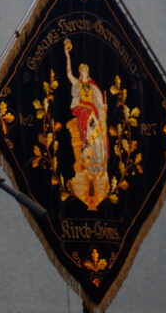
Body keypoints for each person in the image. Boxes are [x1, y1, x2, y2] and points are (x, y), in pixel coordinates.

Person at [62, 38, 109, 210]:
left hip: (92, 114)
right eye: (81, 70)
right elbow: (68, 74)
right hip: (83, 113)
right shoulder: (77, 84)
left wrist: (103, 109)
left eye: (85, 70)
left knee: (97, 140)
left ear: (88, 72)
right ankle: (87, 164)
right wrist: (67, 55)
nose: (83, 72)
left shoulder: (93, 86)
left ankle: (95, 165)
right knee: (86, 139)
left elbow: (99, 102)